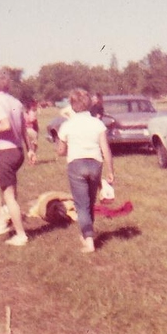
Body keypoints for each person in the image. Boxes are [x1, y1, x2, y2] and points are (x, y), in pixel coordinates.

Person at [0, 69, 36, 246]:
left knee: (9, 196)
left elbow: (6, 125)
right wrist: (31, 150)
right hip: (17, 151)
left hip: (6, 152)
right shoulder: (15, 101)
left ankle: (21, 235)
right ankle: (0, 221)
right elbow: (24, 130)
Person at [56, 88, 114, 253]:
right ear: (89, 104)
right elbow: (105, 149)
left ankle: (88, 240)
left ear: (72, 105)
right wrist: (110, 171)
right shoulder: (97, 123)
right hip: (95, 163)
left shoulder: (67, 125)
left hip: (76, 164)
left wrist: (64, 148)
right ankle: (88, 233)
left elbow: (60, 151)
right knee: (90, 201)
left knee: (81, 204)